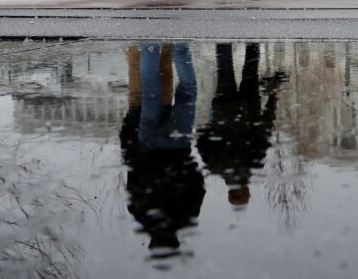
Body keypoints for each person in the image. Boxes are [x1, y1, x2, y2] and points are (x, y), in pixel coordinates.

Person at [120, 43, 205, 257]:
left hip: (178, 148)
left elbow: (198, 187)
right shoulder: (140, 215)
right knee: (151, 89)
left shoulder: (185, 218)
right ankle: (150, 43)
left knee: (188, 91)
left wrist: (189, 163)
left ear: (175, 241)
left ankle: (180, 47)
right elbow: (133, 177)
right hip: (148, 143)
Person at [195, 42, 284, 208]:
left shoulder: (253, 165)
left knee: (251, 65)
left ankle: (253, 36)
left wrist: (273, 99)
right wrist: (213, 126)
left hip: (248, 108)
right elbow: (200, 142)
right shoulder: (215, 166)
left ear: (247, 190)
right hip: (223, 109)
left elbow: (264, 130)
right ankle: (223, 34)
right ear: (230, 191)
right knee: (224, 66)